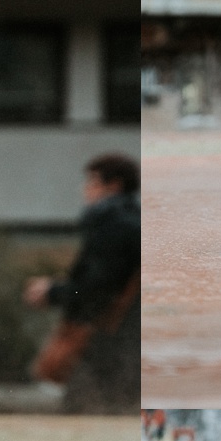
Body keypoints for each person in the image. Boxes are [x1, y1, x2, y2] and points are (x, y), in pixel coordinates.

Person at [25, 153, 140, 413]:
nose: (85, 189)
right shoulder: (130, 221)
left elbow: (98, 287)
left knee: (90, 410)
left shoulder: (114, 226)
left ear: (114, 186)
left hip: (104, 335)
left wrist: (52, 291)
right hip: (123, 336)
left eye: (92, 182)